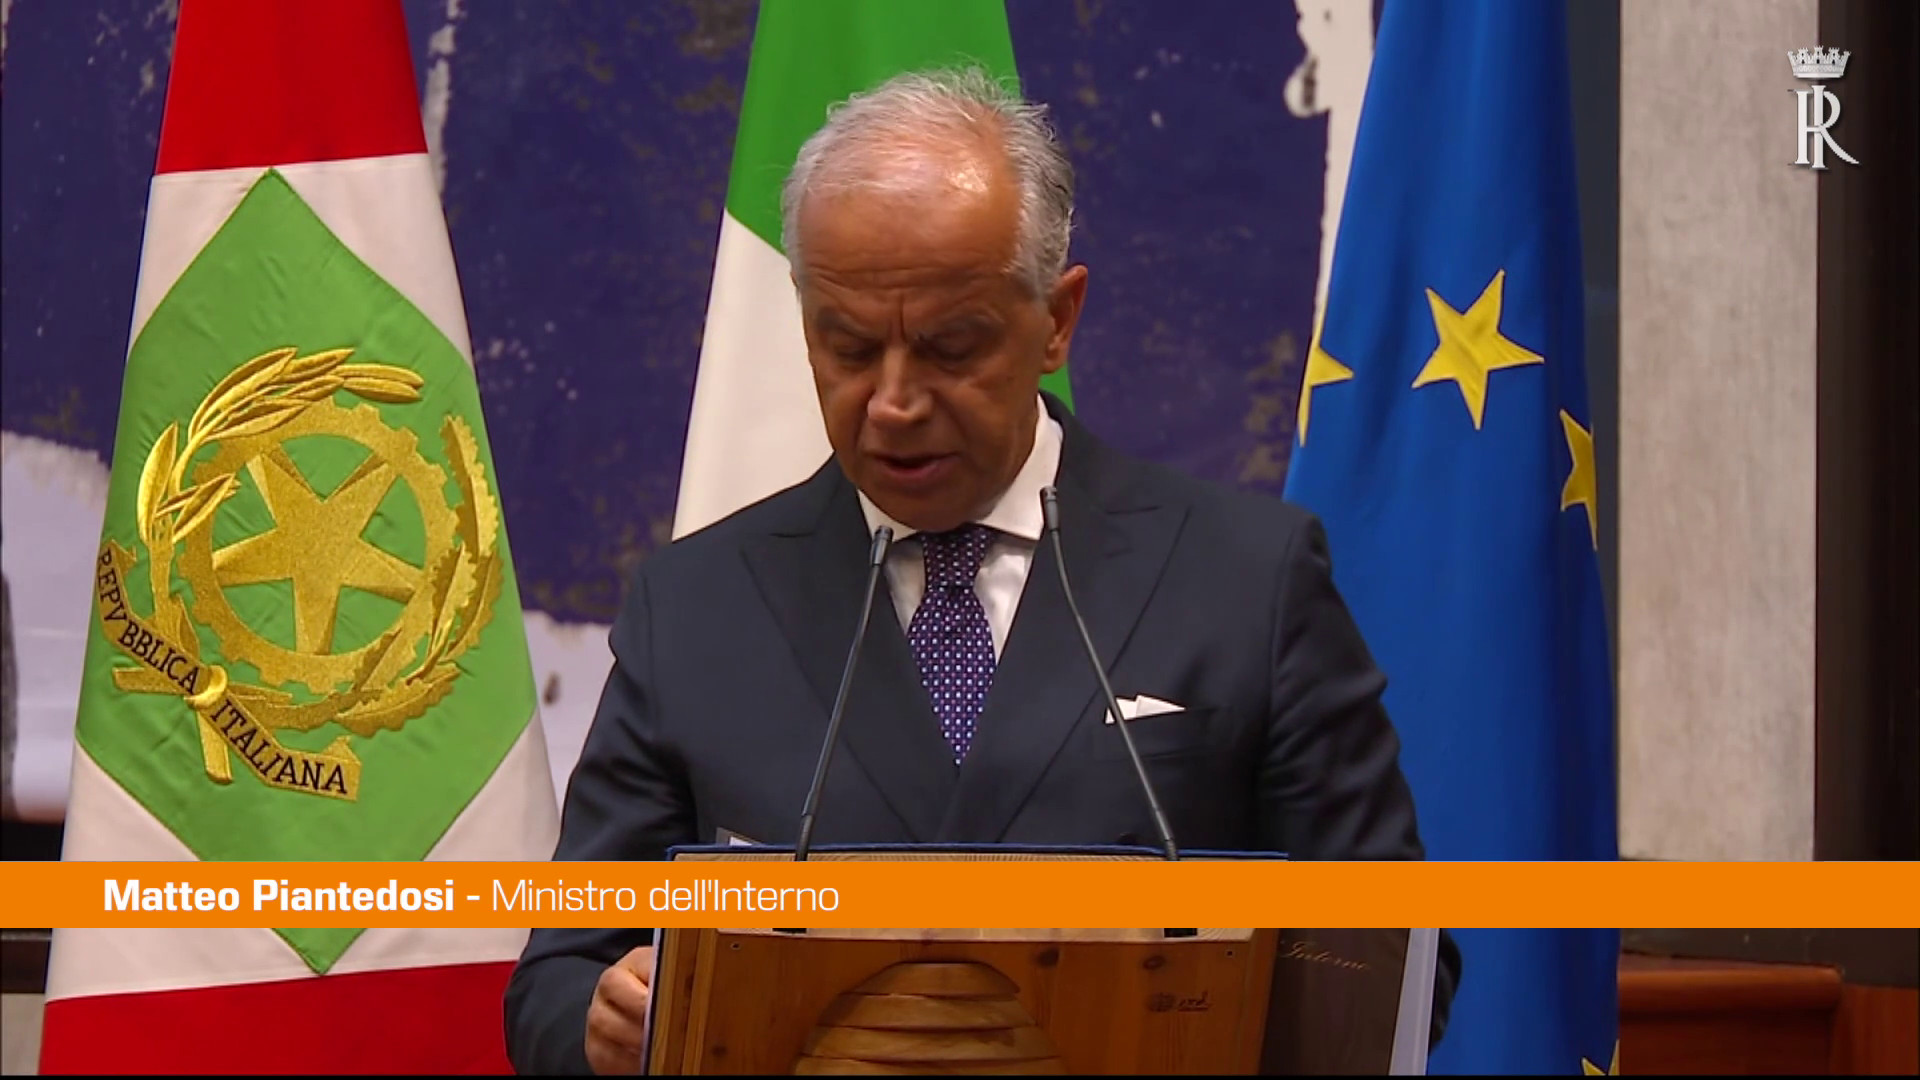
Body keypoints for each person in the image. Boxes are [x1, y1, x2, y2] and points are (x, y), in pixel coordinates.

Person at [505, 67, 1459, 1075]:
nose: (894, 402)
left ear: (1057, 319)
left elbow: (1392, 967)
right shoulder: (696, 609)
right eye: (849, 348)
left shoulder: (1246, 581)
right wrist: (605, 1024)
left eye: (951, 347)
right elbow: (557, 983)